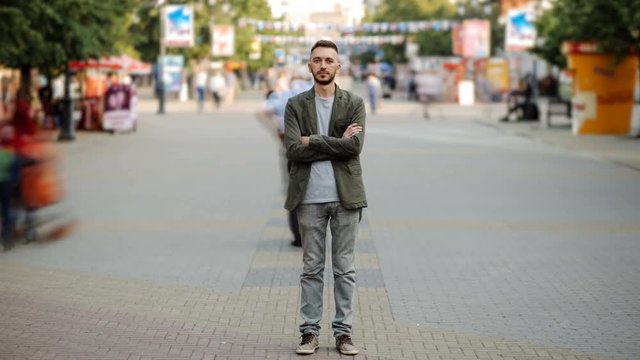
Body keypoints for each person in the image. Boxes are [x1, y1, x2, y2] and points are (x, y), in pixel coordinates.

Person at [284, 39, 367, 356]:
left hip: (346, 198)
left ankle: (343, 334)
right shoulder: (295, 104)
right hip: (308, 198)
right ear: (309, 66)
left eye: (328, 60)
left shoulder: (354, 103)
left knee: (345, 270)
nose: (322, 65)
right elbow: (293, 149)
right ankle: (309, 333)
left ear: (338, 66)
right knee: (311, 269)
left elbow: (354, 148)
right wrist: (336, 144)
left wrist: (313, 141)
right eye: (317, 60)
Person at [255, 75, 311, 247]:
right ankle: (313, 234)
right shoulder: (313, 93)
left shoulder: (282, 97)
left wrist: (277, 133)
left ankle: (299, 236)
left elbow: (260, 112)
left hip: (290, 147)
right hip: (314, 147)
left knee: (293, 191)